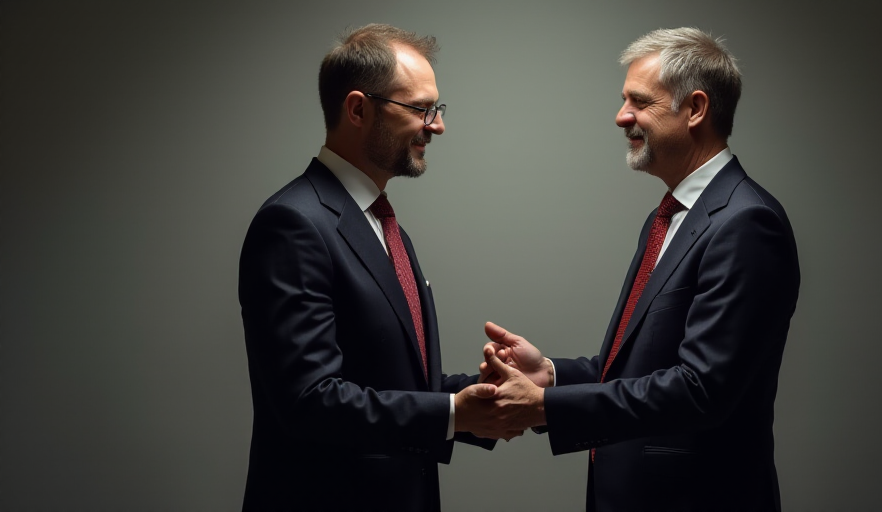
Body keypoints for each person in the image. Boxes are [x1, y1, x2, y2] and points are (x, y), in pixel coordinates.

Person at [476, 27, 800, 511]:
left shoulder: (747, 223)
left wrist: (544, 407)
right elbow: (640, 369)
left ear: (695, 109)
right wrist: (551, 376)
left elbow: (700, 390)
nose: (621, 116)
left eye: (639, 102)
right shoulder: (666, 217)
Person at [238, 24, 512, 512]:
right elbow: (310, 401)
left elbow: (396, 384)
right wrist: (452, 413)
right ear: (358, 109)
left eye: (437, 109)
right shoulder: (292, 224)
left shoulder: (384, 226)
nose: (437, 126)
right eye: (420, 109)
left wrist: (487, 395)